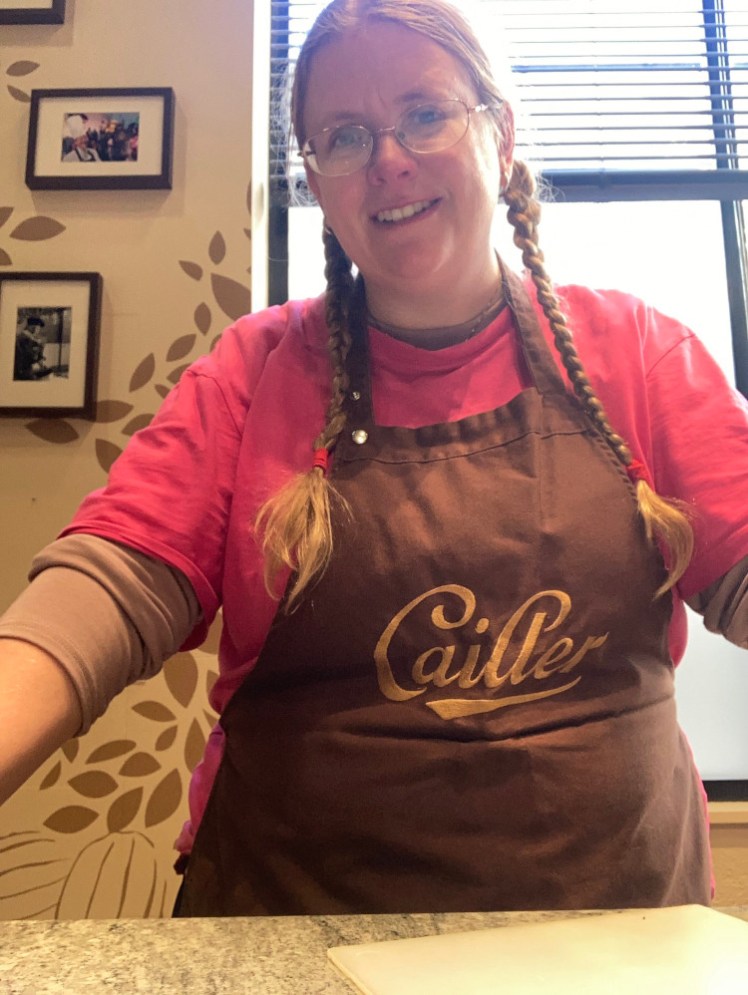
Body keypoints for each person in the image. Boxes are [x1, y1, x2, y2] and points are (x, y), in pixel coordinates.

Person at [1, 0, 747, 916]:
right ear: (317, 178)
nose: (388, 158)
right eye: (344, 136)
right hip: (287, 933)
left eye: (426, 114)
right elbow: (109, 584)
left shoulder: (638, 352)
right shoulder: (255, 370)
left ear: (499, 133)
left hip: (616, 933)